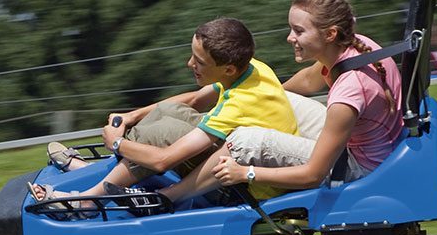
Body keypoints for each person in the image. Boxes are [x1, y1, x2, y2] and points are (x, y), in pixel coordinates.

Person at [29, 17, 299, 209]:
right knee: (167, 110)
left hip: (244, 188)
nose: (190, 63)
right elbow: (193, 100)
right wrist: (134, 115)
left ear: (228, 69)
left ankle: (89, 198)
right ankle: (103, 174)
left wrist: (117, 143)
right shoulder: (252, 67)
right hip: (243, 156)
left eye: (199, 62)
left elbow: (163, 161)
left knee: (160, 134)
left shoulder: (239, 104)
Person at [165, 0, 403, 198]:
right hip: (372, 148)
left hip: (362, 170)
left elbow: (313, 175)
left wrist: (246, 173)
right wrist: (263, 96)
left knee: (245, 141)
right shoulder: (355, 44)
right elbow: (309, 82)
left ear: (330, 34)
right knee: (278, 100)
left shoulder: (348, 91)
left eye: (299, 31)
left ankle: (173, 196)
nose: (290, 38)